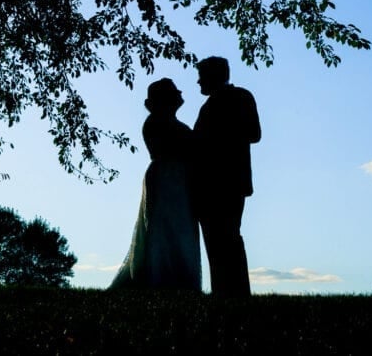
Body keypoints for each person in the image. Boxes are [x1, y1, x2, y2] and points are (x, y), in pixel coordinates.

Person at [110, 78, 202, 290]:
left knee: (178, 228)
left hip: (175, 178)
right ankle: (161, 277)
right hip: (167, 178)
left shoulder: (165, 121)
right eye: (175, 92)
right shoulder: (158, 122)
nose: (181, 95)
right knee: (164, 227)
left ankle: (176, 278)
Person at [191, 55, 261, 299]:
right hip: (228, 181)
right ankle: (230, 291)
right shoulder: (237, 98)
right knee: (224, 236)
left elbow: (254, 134)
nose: (198, 82)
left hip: (220, 181)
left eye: (201, 77)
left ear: (212, 76)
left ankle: (231, 291)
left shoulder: (231, 100)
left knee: (224, 237)